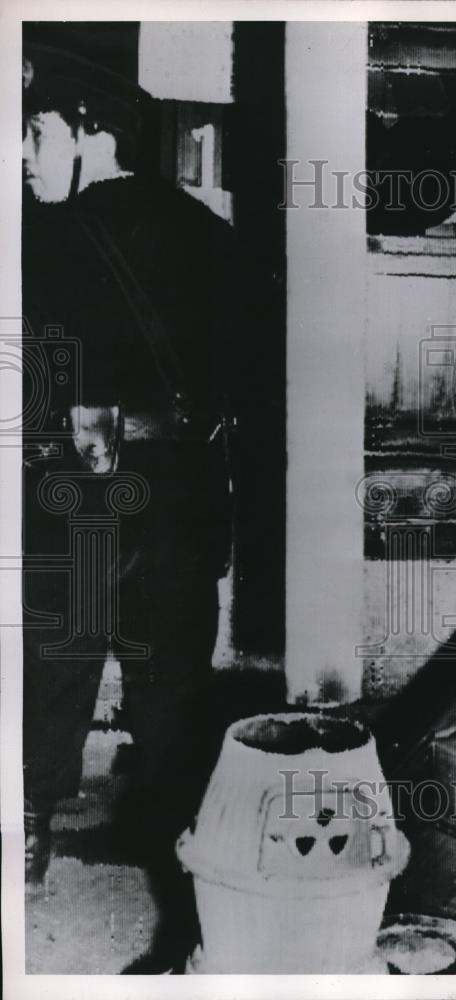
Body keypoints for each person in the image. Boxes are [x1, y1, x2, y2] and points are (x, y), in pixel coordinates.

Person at [22, 41, 239, 971]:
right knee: (173, 681)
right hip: (188, 488)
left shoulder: (44, 239)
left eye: (35, 134)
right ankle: (173, 854)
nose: (23, 156)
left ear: (88, 132)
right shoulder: (212, 236)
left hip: (83, 484)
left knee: (59, 666)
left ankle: (27, 840)